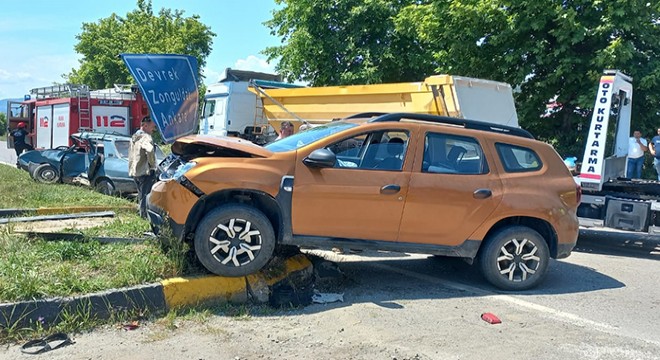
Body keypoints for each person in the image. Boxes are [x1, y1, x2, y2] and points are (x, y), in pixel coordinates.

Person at [128, 116, 158, 218]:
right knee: (146, 196)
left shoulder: (134, 137)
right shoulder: (146, 137)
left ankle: (141, 215)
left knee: (141, 195)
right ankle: (144, 217)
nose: (153, 130)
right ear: (145, 125)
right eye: (152, 127)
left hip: (135, 171)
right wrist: (153, 165)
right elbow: (149, 150)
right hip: (145, 171)